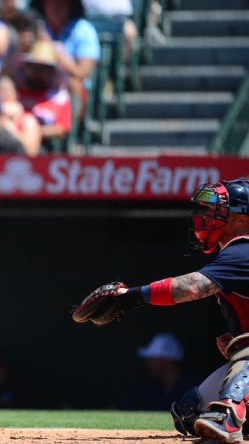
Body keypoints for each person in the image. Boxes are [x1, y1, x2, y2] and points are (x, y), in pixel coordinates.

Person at [72, 178, 249, 443]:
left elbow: (190, 288)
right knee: (192, 411)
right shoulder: (235, 254)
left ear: (242, 220)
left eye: (217, 211)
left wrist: (128, 298)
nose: (206, 216)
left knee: (232, 387)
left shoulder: (243, 250)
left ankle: (231, 417)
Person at [117, 333, 201, 411]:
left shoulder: (195, 388)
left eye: (152, 359)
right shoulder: (146, 390)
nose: (147, 363)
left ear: (166, 360)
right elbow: (120, 408)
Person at [14, 40, 71, 151]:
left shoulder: (60, 97)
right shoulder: (16, 92)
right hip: (13, 142)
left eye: (42, 69)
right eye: (33, 68)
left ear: (51, 72)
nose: (37, 73)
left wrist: (32, 132)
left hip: (43, 145)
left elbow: (62, 128)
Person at [0, 74, 41, 155]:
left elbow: (31, 151)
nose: (1, 95)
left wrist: (8, 127)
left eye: (6, 90)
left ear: (16, 94)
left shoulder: (27, 119)